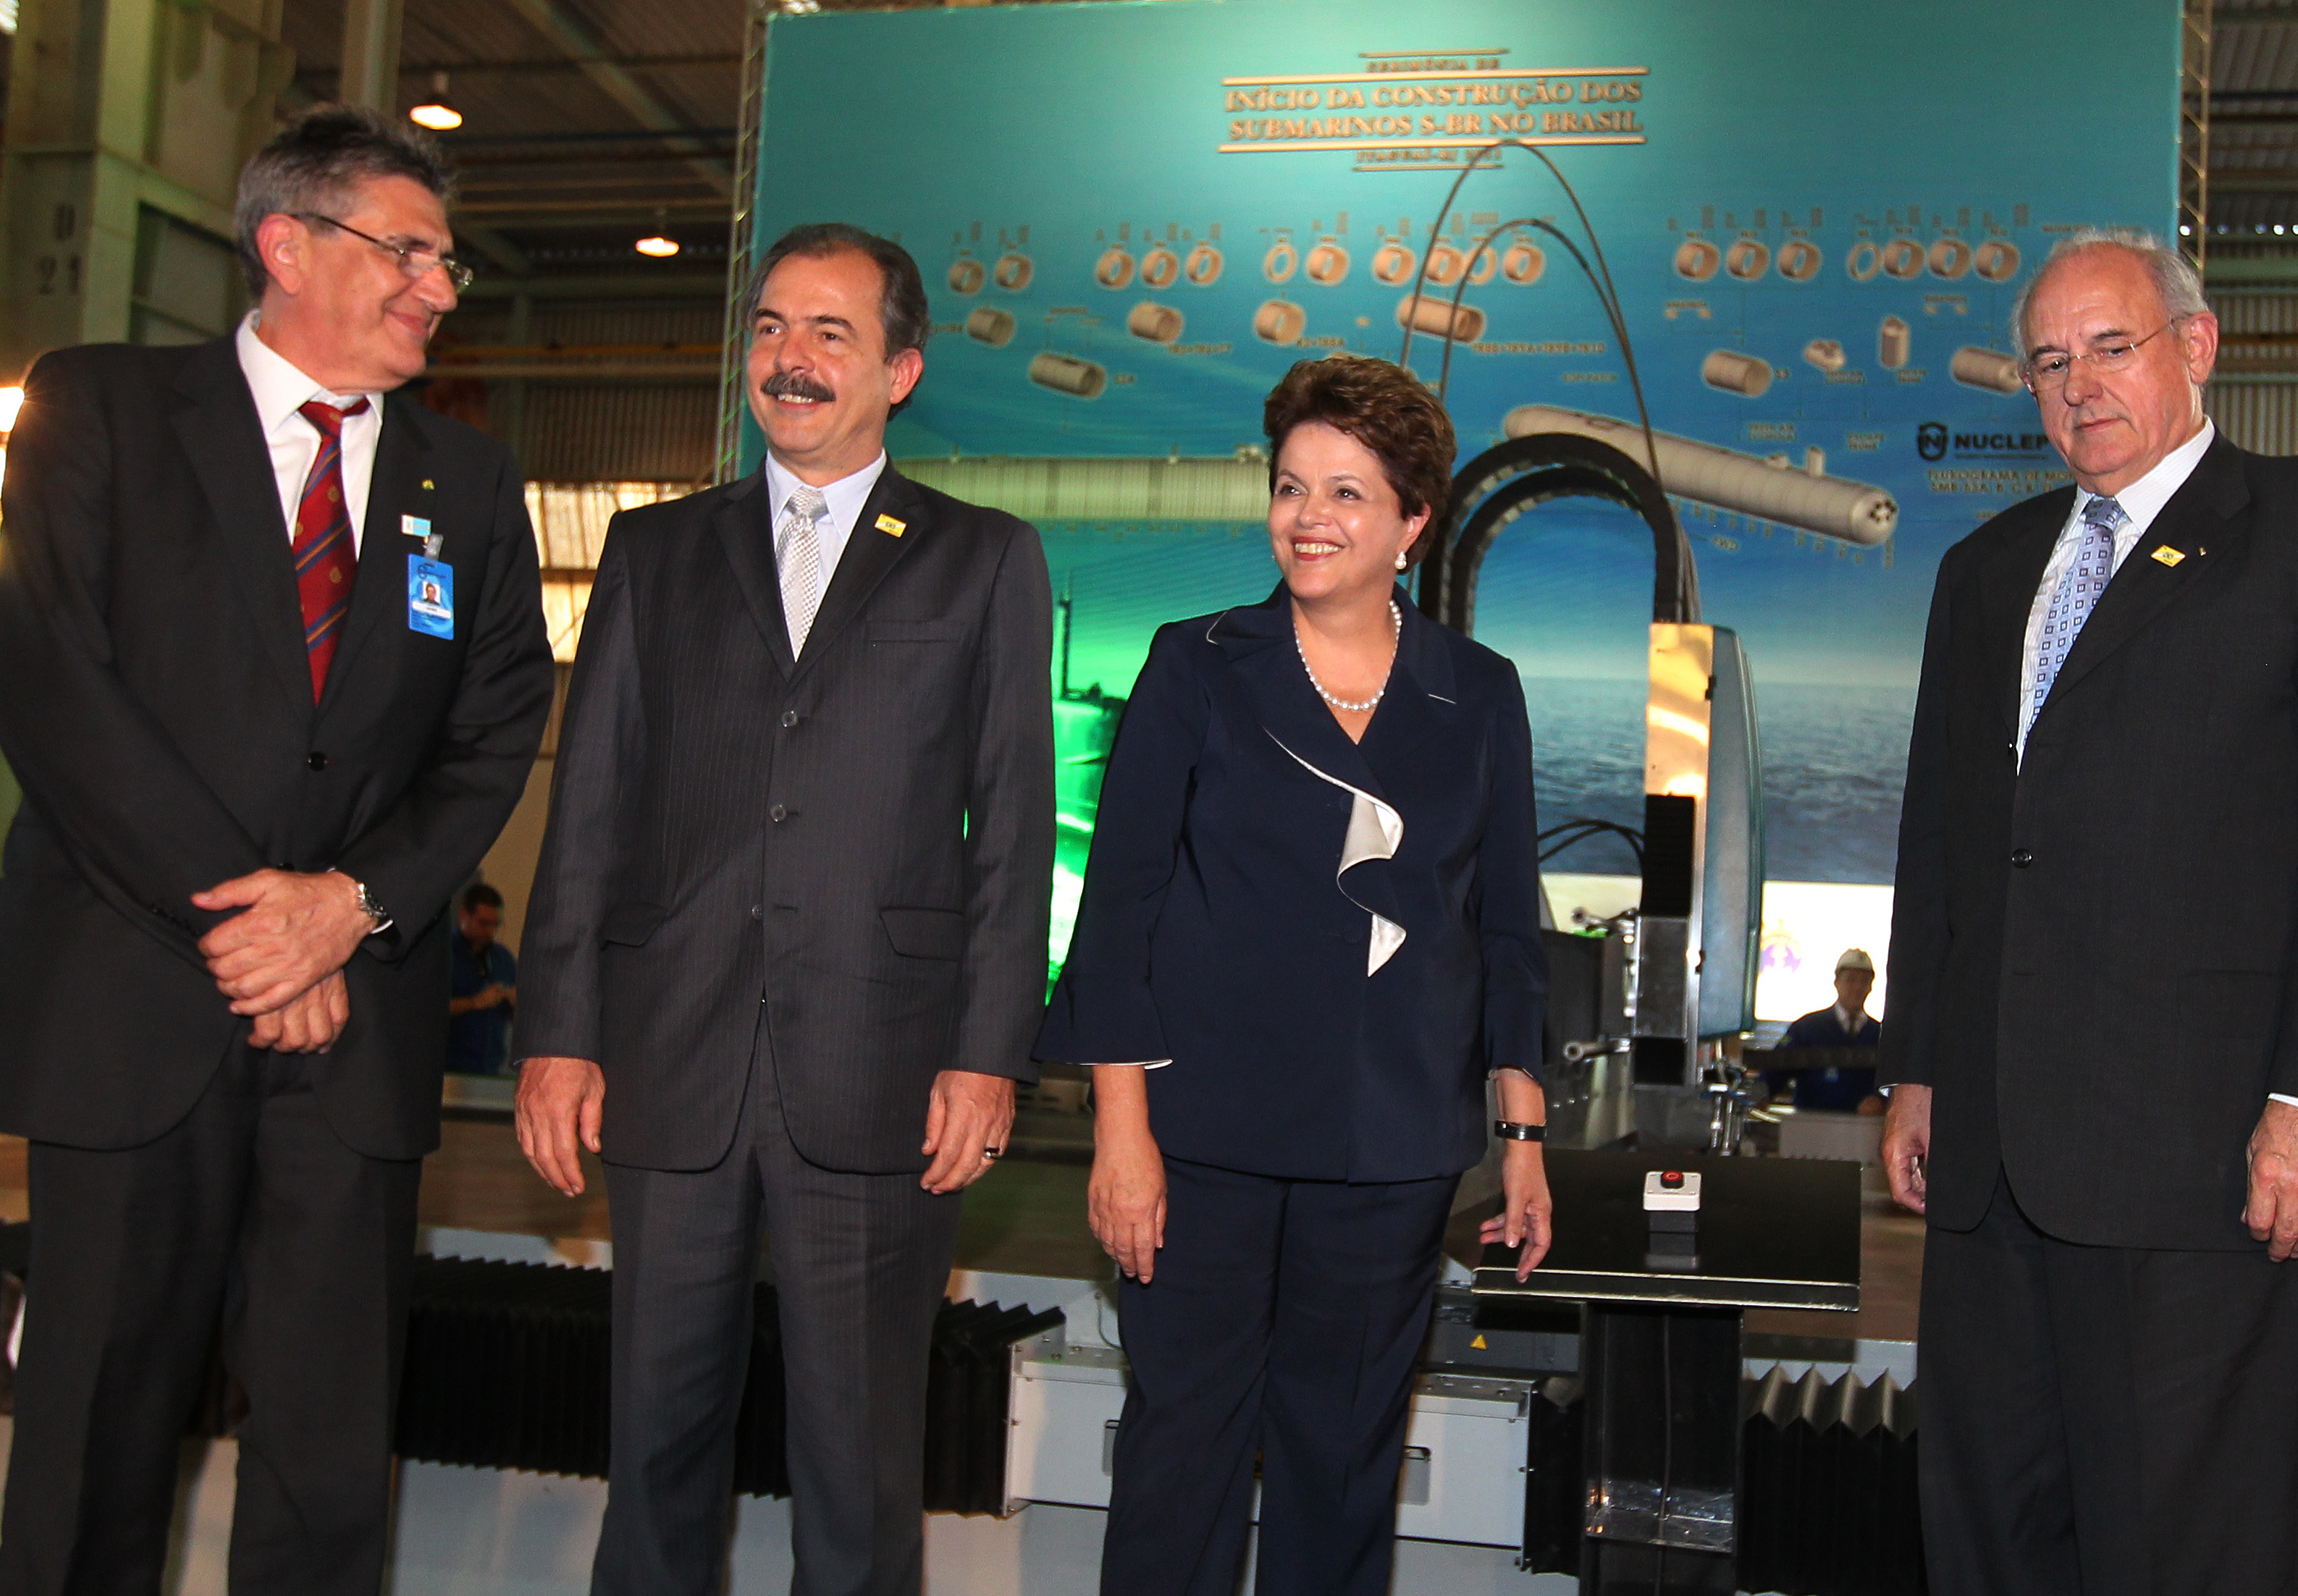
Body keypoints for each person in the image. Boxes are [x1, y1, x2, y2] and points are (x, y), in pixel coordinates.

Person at [0, 106, 552, 1595]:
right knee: (91, 1438)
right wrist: (254, 929)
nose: (440, 288)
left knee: (323, 1463)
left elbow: (496, 731)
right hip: (133, 1015)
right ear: (286, 243)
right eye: (410, 251)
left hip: (353, 1034)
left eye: (448, 263)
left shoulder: (472, 487)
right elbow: (57, 689)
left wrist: (347, 910)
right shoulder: (100, 411)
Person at [509, 222, 1054, 1596]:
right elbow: (590, 813)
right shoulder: (651, 551)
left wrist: (988, 1052)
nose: (790, 359)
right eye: (768, 328)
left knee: (860, 1474)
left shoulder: (980, 560)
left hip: (878, 1072)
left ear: (901, 370)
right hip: (669, 1061)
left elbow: (1013, 835)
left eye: (829, 334)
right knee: (654, 1450)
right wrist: (557, 1031)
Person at [1879, 227, 2298, 1596]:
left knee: (2185, 1558)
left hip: (2205, 1170)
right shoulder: (1983, 571)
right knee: (1989, 1545)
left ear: (2196, 347)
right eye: (2050, 362)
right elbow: (1945, 839)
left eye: (2112, 347)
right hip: (1990, 1176)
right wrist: (1919, 1066)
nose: (2078, 385)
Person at [1038, 355, 1552, 1596]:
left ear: (1412, 525)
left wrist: (1521, 1135)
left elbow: (1505, 932)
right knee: (1181, 1464)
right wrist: (1121, 1131)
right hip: (1197, 1144)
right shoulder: (1196, 664)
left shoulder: (1476, 695)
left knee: (1339, 1475)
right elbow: (1118, 916)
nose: (1307, 518)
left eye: (1346, 494)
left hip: (1390, 1156)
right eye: (1289, 487)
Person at [1772, 947, 1882, 1114]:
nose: (1857, 987)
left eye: (1864, 981)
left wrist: (1881, 1100)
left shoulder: (1881, 1035)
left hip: (1864, 1132)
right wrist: (1761, 1093)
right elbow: (1776, 1069)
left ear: (1870, 987)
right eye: (1851, 980)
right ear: (1837, 982)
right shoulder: (1807, 1028)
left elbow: (1893, 1085)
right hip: (1811, 1128)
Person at [447, 882, 518, 1076]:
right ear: (464, 915)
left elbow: (513, 1017)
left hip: (490, 1068)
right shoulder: (444, 955)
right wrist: (474, 1002)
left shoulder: (503, 959)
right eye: (483, 923)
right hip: (447, 1067)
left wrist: (516, 1003)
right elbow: (425, 1011)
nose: (489, 931)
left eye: (495, 925)